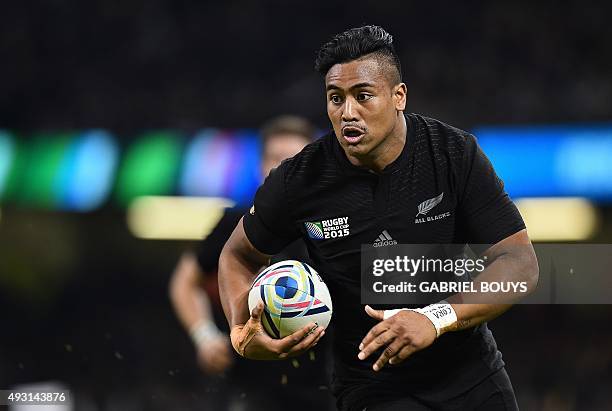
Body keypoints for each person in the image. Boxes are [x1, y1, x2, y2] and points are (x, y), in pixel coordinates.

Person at [218, 25, 539, 411]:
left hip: (470, 376)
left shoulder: (454, 154)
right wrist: (240, 331)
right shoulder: (298, 179)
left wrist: (433, 319)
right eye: (335, 98)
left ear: (398, 96)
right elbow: (237, 255)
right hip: (372, 384)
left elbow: (519, 262)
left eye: (363, 96)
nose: (347, 112)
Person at [169, 115, 331, 409]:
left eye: (295, 159)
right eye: (275, 158)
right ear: (259, 166)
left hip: (326, 387)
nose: (283, 167)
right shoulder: (236, 223)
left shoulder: (337, 222)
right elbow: (184, 281)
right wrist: (204, 336)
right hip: (251, 387)